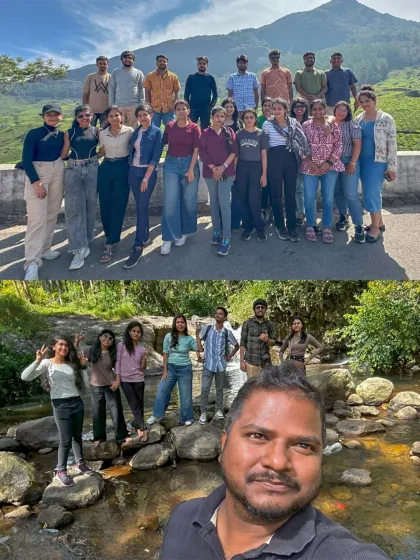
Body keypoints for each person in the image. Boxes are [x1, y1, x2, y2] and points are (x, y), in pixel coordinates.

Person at [159, 364, 390, 560]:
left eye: (303, 446)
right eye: (258, 436)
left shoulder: (340, 552)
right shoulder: (182, 517)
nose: (278, 462)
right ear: (223, 445)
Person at [21, 335, 95, 487]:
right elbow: (25, 377)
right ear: (53, 347)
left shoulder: (71, 364)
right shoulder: (47, 363)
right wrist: (37, 361)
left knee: (77, 436)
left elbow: (86, 386)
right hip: (60, 404)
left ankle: (80, 464)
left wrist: (83, 367)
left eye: (66, 345)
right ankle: (61, 470)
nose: (64, 348)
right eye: (60, 345)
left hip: (76, 402)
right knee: (65, 439)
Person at [22, 104, 65, 280]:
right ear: (43, 117)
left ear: (61, 116)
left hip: (58, 170)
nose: (53, 117)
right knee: (36, 219)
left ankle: (45, 249)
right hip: (39, 173)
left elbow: (65, 154)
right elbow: (26, 159)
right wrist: (36, 182)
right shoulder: (34, 134)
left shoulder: (62, 135)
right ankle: (32, 261)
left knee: (52, 214)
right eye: (49, 115)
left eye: (56, 114)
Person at [354, 85, 397, 243]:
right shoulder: (358, 119)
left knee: (372, 193)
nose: (365, 104)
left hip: (377, 162)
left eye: (367, 101)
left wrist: (392, 167)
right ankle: (379, 222)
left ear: (374, 101)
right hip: (362, 161)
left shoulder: (386, 119)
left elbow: (392, 144)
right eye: (362, 102)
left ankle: (375, 228)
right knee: (368, 192)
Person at [123, 103, 164, 269]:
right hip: (133, 172)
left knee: (141, 207)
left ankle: (138, 244)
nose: (142, 118)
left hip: (147, 175)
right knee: (142, 207)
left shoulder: (157, 132)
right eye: (139, 116)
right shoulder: (136, 131)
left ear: (151, 115)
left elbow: (155, 157)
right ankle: (145, 235)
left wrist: (146, 178)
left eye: (145, 115)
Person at [262, 98, 309, 242]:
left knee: (290, 193)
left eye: (279, 108)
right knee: (276, 194)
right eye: (274, 109)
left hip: (290, 158)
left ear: (285, 109)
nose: (276, 111)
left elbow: (302, 140)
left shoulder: (293, 123)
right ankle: (280, 225)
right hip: (274, 159)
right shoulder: (267, 124)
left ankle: (292, 226)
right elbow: (264, 147)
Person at [61, 105, 99, 270]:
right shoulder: (70, 133)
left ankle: (86, 242)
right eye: (80, 116)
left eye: (87, 115)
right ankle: (78, 249)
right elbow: (63, 154)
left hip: (92, 168)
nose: (84, 118)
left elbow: (103, 149)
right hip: (73, 170)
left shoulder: (97, 131)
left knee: (90, 206)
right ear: (76, 118)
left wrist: (93, 159)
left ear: (92, 116)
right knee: (74, 209)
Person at [301, 99, 344, 244]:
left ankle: (326, 226)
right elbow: (301, 145)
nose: (317, 111)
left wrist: (328, 163)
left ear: (325, 110)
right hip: (310, 167)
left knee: (328, 198)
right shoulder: (306, 126)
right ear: (311, 111)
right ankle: (310, 225)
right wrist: (309, 162)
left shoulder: (334, 126)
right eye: (314, 109)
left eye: (320, 109)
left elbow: (339, 145)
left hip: (330, 168)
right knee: (309, 197)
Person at [160, 100, 201, 256]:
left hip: (189, 164)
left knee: (188, 200)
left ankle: (185, 231)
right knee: (170, 201)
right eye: (178, 109)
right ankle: (169, 237)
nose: (182, 111)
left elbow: (196, 150)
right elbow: (161, 143)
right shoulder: (169, 126)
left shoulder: (194, 128)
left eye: (184, 108)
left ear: (188, 111)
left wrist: (191, 170)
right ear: (174, 111)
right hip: (171, 164)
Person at [199, 106, 238, 256]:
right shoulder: (205, 133)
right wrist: (213, 168)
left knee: (224, 204)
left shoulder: (229, 132)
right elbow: (202, 151)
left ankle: (226, 238)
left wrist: (223, 167)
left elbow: (234, 151)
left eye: (222, 116)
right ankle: (216, 231)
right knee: (214, 203)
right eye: (217, 116)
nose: (220, 119)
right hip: (210, 173)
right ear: (212, 117)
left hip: (226, 173)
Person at [97, 105, 134, 263]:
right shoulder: (101, 133)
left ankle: (111, 241)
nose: (114, 118)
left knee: (119, 203)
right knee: (105, 203)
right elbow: (100, 152)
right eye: (110, 116)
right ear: (107, 119)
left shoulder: (129, 131)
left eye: (116, 115)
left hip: (123, 167)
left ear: (122, 116)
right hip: (105, 168)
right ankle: (108, 234)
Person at [79, 330, 129, 445]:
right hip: (96, 386)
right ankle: (99, 437)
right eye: (105, 336)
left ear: (112, 342)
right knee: (98, 412)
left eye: (110, 338)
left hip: (111, 385)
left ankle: (121, 436)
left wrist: (117, 380)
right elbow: (78, 359)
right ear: (100, 337)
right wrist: (82, 361)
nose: (107, 339)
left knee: (116, 411)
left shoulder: (113, 352)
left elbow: (118, 368)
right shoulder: (91, 350)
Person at [147, 315, 198, 427]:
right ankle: (157, 415)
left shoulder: (189, 339)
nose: (180, 324)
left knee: (185, 395)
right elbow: (165, 354)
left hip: (185, 369)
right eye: (178, 322)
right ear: (175, 324)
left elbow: (199, 349)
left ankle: (187, 418)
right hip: (170, 369)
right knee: (163, 390)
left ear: (185, 324)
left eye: (182, 322)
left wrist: (198, 335)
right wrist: (165, 370)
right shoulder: (168, 337)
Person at [196, 307, 239, 424]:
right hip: (208, 364)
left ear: (225, 317)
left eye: (220, 314)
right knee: (205, 389)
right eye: (216, 313)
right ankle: (203, 412)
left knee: (220, 389)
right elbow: (199, 339)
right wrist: (199, 353)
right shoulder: (208, 328)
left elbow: (236, 345)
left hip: (221, 365)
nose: (218, 315)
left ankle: (219, 410)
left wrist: (229, 356)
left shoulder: (227, 332)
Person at [332, 102, 365, 243]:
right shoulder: (331, 124)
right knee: (337, 191)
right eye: (339, 110)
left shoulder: (352, 124)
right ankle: (343, 217)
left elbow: (357, 144)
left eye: (344, 110)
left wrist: (352, 163)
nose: (341, 112)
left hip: (348, 161)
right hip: (333, 162)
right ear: (334, 111)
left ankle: (359, 225)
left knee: (350, 194)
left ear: (348, 112)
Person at [235, 108, 269, 242]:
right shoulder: (238, 134)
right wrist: (234, 171)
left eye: (251, 117)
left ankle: (259, 227)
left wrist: (264, 174)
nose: (249, 120)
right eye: (246, 117)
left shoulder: (261, 134)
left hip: (256, 167)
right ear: (243, 120)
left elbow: (264, 155)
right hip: (242, 167)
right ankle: (247, 227)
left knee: (254, 199)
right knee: (242, 198)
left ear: (255, 119)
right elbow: (236, 155)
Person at [116, 321, 149, 443]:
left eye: (138, 332)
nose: (136, 334)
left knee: (140, 405)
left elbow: (142, 368)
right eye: (134, 331)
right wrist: (118, 378)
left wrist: (145, 358)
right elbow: (117, 363)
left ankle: (138, 426)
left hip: (139, 380)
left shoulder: (141, 349)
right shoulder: (121, 345)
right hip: (126, 381)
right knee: (134, 405)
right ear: (129, 332)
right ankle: (143, 428)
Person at [221, 98, 242, 232]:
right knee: (222, 196)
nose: (229, 109)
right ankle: (223, 222)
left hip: (237, 161)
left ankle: (235, 221)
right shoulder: (219, 122)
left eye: (231, 107)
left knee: (236, 194)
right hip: (221, 162)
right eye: (226, 107)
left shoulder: (239, 124)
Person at [240, 299, 275, 378]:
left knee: (268, 386)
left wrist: (267, 340)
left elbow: (273, 342)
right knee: (253, 387)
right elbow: (242, 343)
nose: (260, 309)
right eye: (258, 307)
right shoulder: (247, 323)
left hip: (266, 361)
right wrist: (242, 362)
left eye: (262, 307)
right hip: (251, 361)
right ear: (254, 309)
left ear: (265, 309)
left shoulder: (269, 324)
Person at [109, 51, 145, 129]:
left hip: (133, 106)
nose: (127, 59)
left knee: (134, 129)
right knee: (120, 129)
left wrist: (141, 105)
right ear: (121, 60)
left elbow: (142, 89)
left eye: (130, 58)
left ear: (133, 60)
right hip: (118, 106)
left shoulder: (139, 73)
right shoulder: (115, 72)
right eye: (125, 57)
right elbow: (112, 88)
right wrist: (112, 105)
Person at [144, 55, 181, 128]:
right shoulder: (150, 76)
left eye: (164, 61)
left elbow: (177, 92)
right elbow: (146, 92)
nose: (162, 62)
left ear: (167, 63)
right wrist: (148, 105)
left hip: (169, 109)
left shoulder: (173, 76)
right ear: (156, 63)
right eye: (160, 61)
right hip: (154, 109)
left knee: (171, 130)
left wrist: (175, 105)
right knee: (153, 130)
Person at [290, 97, 310, 227]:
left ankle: (302, 213)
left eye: (302, 106)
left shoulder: (310, 122)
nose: (299, 109)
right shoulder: (288, 122)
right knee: (295, 186)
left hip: (307, 157)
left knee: (302, 187)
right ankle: (296, 212)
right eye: (296, 106)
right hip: (291, 156)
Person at [184, 56, 218, 130]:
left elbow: (215, 94)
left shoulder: (210, 78)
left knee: (205, 129)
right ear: (197, 65)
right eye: (200, 63)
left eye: (204, 63)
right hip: (193, 108)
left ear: (207, 65)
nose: (202, 65)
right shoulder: (191, 77)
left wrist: (211, 106)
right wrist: (188, 107)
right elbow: (186, 94)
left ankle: (204, 142)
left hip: (206, 108)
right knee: (190, 128)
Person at [82, 56, 111, 127]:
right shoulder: (90, 77)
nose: (102, 66)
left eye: (104, 64)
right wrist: (84, 108)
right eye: (100, 64)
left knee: (105, 132)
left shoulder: (111, 77)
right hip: (91, 111)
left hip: (106, 111)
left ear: (108, 65)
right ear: (97, 65)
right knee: (89, 130)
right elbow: (85, 93)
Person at [258, 97, 273, 222]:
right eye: (265, 105)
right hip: (260, 156)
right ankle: (262, 208)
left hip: (274, 156)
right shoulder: (258, 120)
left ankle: (272, 209)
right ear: (262, 107)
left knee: (274, 184)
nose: (267, 108)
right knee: (263, 184)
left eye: (270, 105)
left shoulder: (277, 120)